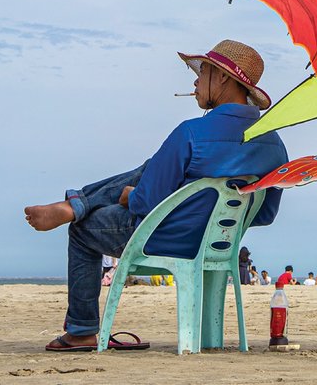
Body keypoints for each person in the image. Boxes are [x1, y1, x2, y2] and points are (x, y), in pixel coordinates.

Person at [21, 40, 289, 352]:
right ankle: (76, 203)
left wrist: (130, 197)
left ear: (223, 77)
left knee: (82, 230)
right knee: (151, 169)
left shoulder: (190, 132)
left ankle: (81, 329)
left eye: (202, 72)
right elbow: (266, 214)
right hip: (219, 247)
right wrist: (210, 214)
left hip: (165, 240)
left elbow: (146, 204)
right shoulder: (275, 143)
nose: (195, 81)